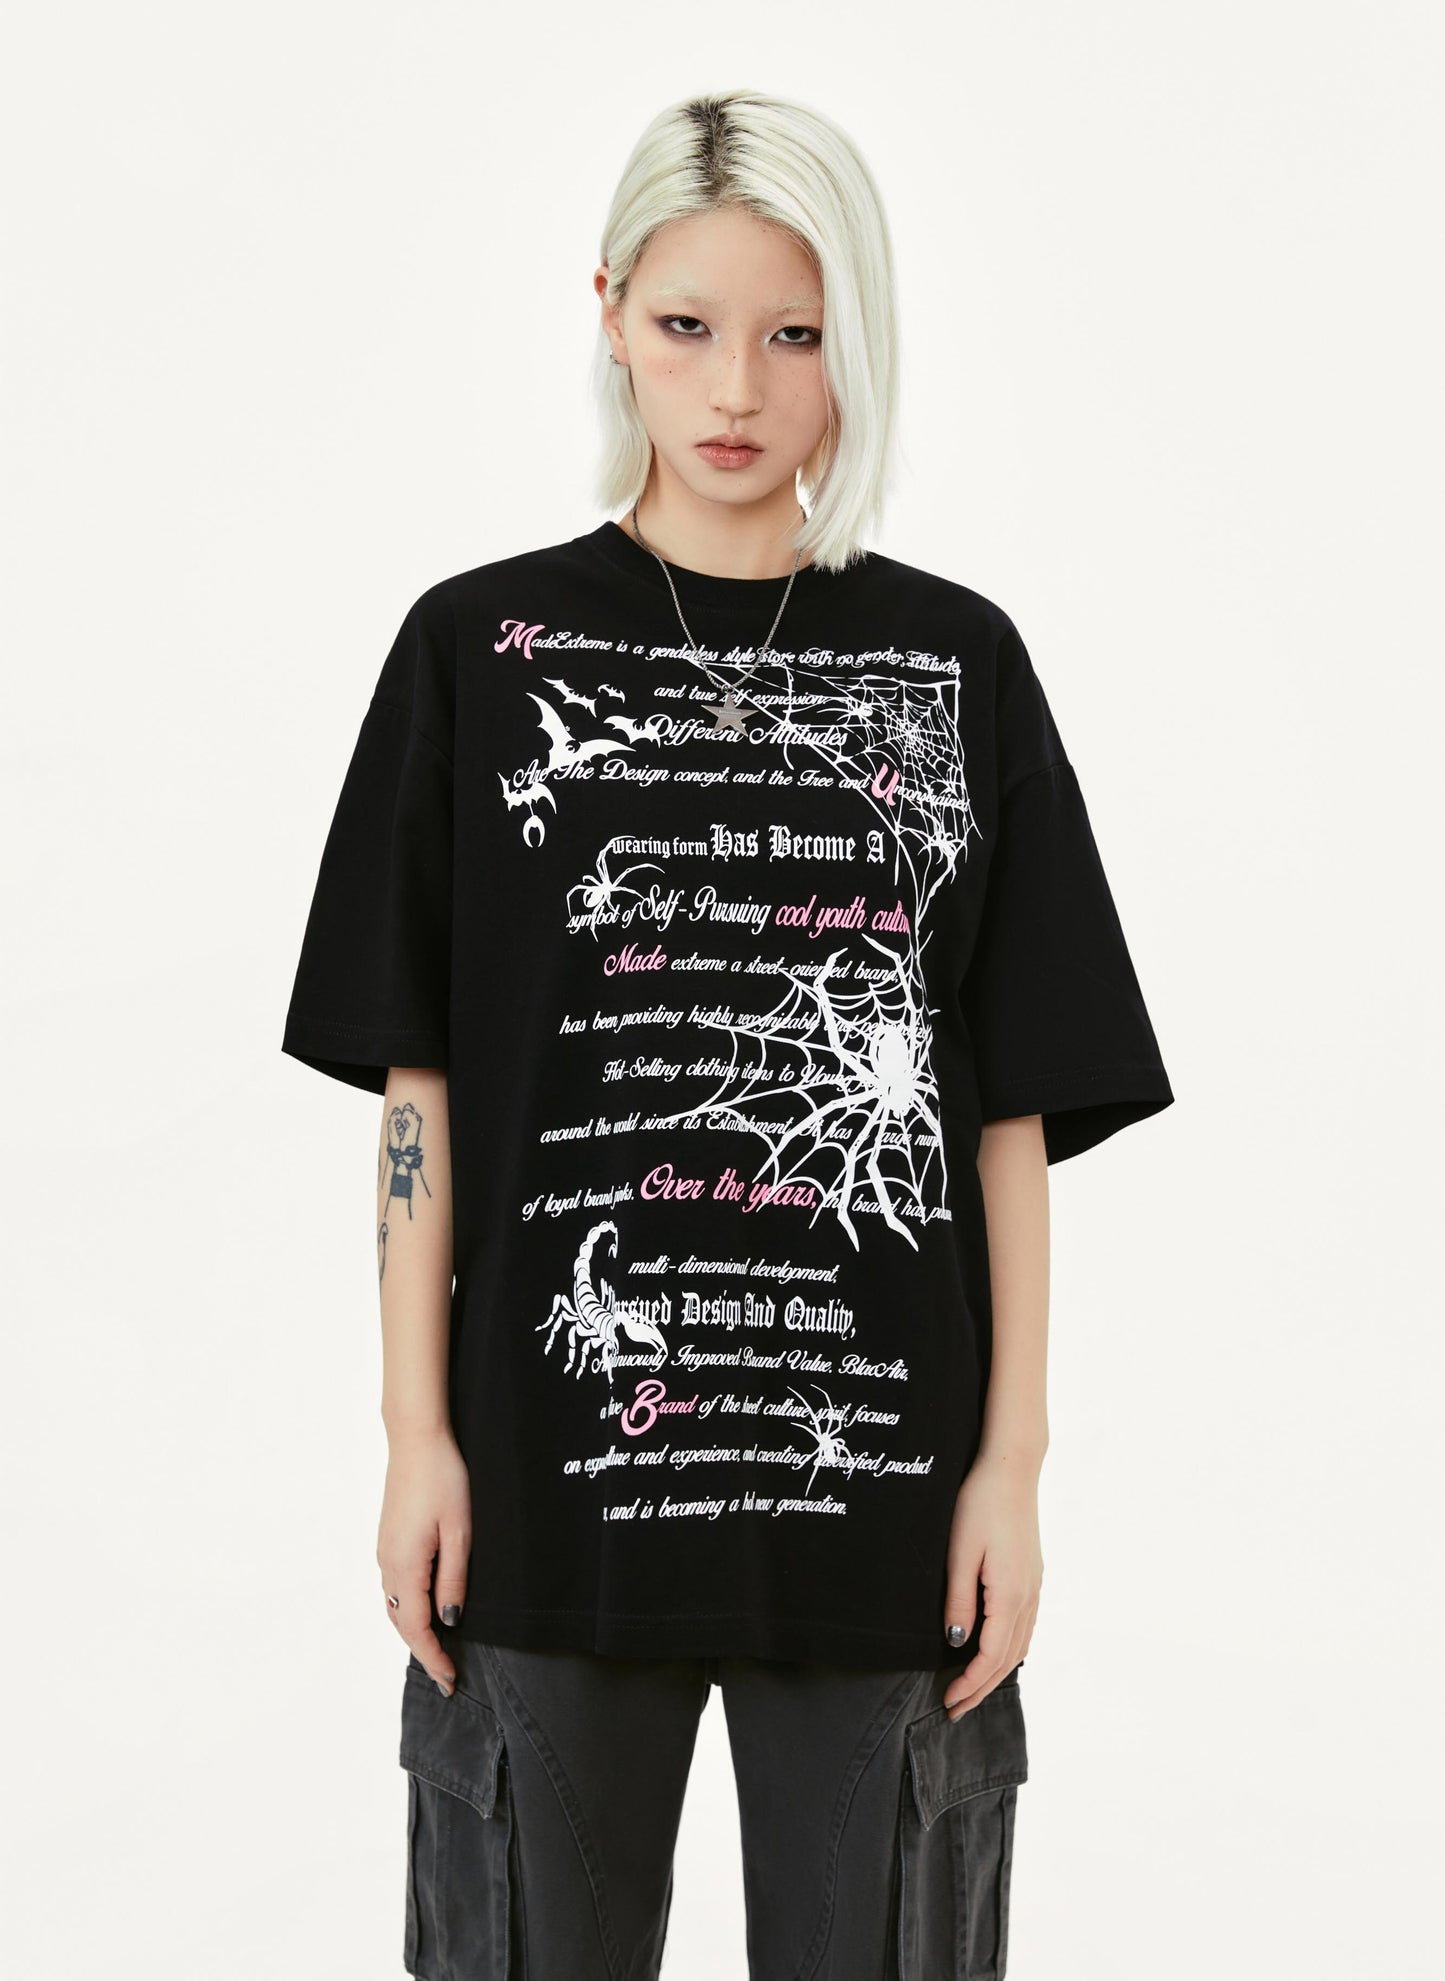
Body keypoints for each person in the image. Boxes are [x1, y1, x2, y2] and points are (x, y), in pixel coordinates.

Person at [280, 87, 1173, 1981]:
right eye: (688, 324)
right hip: (550, 1488)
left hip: (878, 1497)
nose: (738, 388)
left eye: (795, 331)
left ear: (860, 337)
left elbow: (1004, 1110)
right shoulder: (478, 651)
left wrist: (1011, 1463)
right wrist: (413, 1431)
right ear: (608, 310)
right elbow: (418, 1086)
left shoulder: (953, 664)